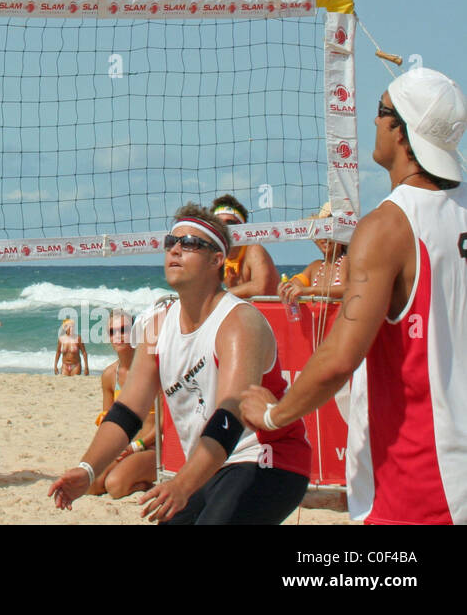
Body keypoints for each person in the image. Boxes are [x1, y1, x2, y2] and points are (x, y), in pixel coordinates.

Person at [242, 68, 467, 524]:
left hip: (419, 478)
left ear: (401, 131)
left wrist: (273, 415)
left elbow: (340, 359)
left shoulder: (387, 226)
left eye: (381, 112)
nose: (374, 122)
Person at [50, 203, 310, 524]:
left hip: (266, 459)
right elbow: (127, 412)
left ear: (217, 260)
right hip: (212, 463)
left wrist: (182, 484)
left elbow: (230, 417)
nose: (175, 249)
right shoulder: (156, 326)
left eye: (189, 244)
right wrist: (87, 470)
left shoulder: (239, 323)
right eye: (171, 242)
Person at [87, 310, 155, 498]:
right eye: (112, 331)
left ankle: (141, 482)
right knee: (91, 485)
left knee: (115, 486)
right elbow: (107, 423)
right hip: (122, 448)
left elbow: (167, 423)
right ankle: (133, 477)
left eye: (124, 329)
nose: (118, 336)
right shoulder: (109, 376)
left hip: (151, 447)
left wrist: (136, 446)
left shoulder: (153, 370)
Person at [278, 202, 349, 310]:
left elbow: (346, 289)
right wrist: (284, 288)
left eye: (329, 231)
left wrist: (308, 290)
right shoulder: (315, 266)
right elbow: (294, 286)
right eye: (320, 232)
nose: (324, 238)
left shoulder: (346, 261)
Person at [211, 194, 279, 299]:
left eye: (230, 223)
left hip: (275, 310)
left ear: (242, 226)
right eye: (219, 222)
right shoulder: (217, 255)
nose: (224, 227)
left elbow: (260, 288)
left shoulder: (254, 250)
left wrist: (220, 294)